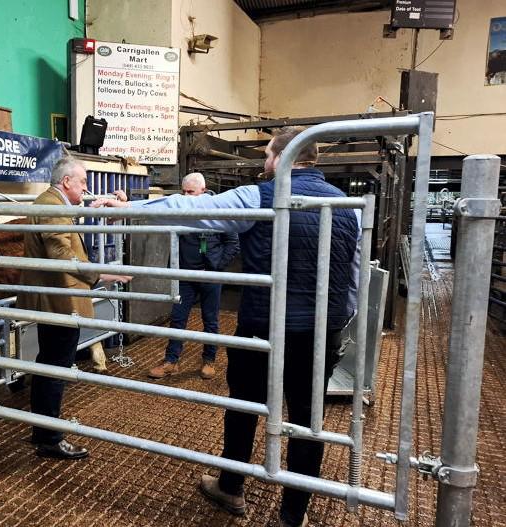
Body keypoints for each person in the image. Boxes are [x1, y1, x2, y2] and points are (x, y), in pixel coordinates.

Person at [92, 127, 360, 527]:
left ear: (280, 158)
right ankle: (292, 516)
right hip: (320, 332)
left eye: (268, 156)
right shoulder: (348, 206)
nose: (266, 164)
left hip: (262, 327)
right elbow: (353, 277)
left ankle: (232, 487)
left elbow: (189, 211)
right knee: (307, 420)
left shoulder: (261, 195)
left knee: (244, 406)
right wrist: (340, 321)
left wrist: (122, 208)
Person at [17, 156, 131, 460]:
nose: (86, 187)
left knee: (47, 365)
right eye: (82, 181)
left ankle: (42, 431)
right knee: (55, 368)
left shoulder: (53, 201)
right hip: (59, 301)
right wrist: (100, 273)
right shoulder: (53, 205)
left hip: (56, 298)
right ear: (66, 181)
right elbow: (59, 251)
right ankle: (50, 438)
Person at [148, 172, 239, 380]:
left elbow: (233, 243)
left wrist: (217, 266)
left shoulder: (219, 211)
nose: (186, 196)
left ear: (204, 191)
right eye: (184, 192)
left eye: (191, 192)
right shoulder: (181, 211)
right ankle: (171, 361)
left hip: (210, 275)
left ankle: (209, 360)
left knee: (211, 320)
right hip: (185, 275)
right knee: (178, 319)